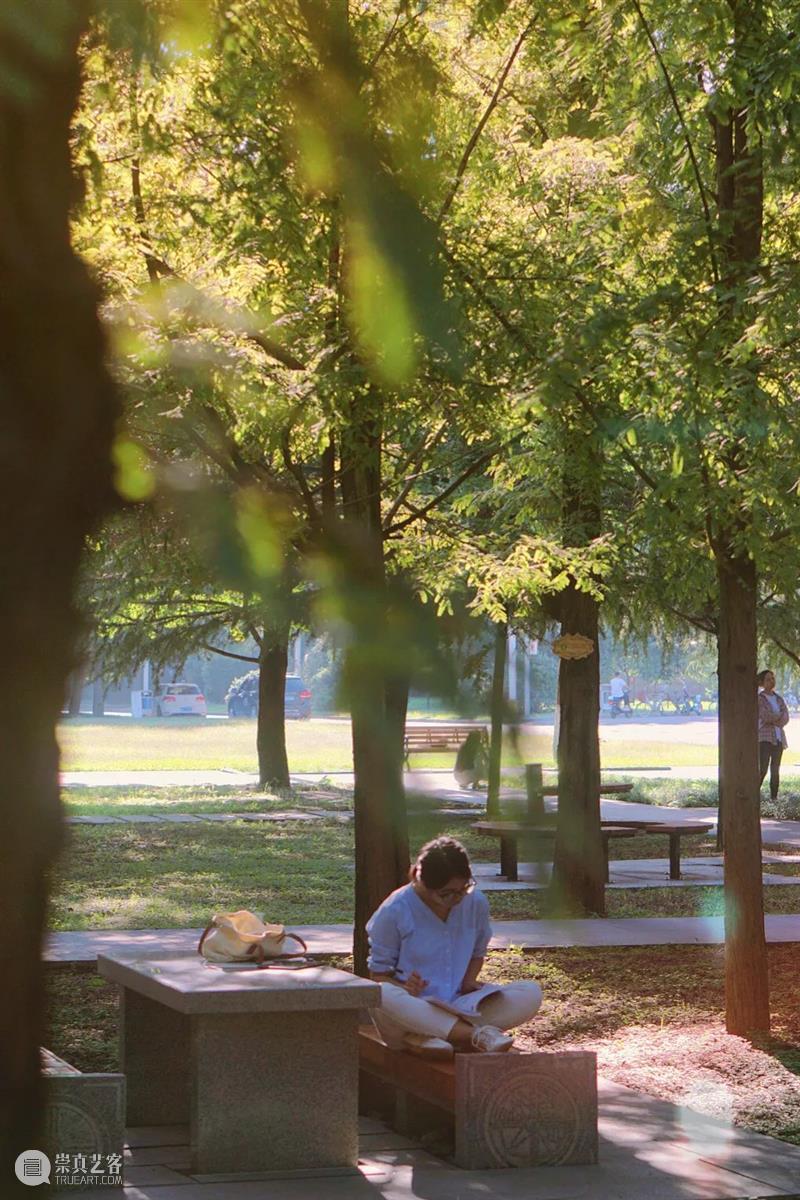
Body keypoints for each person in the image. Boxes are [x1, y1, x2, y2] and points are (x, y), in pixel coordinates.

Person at [366, 837, 542, 1059]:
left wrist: (469, 983)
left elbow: (478, 952)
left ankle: (434, 1037)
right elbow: (378, 976)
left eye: (463, 889)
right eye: (445, 893)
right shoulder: (394, 910)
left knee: (530, 992)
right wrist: (405, 987)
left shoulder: (475, 902)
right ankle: (474, 1036)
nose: (456, 899)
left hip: (458, 1006)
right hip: (413, 1009)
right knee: (383, 994)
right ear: (419, 879)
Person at [758, 669, 790, 801]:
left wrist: (776, 719)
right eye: (768, 679)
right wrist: (777, 717)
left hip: (778, 738)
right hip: (765, 738)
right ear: (762, 682)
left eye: (772, 678)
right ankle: (753, 793)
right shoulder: (760, 699)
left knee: (775, 769)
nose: (771, 681)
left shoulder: (778, 698)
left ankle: (774, 797)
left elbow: (786, 716)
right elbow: (765, 715)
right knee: (763, 768)